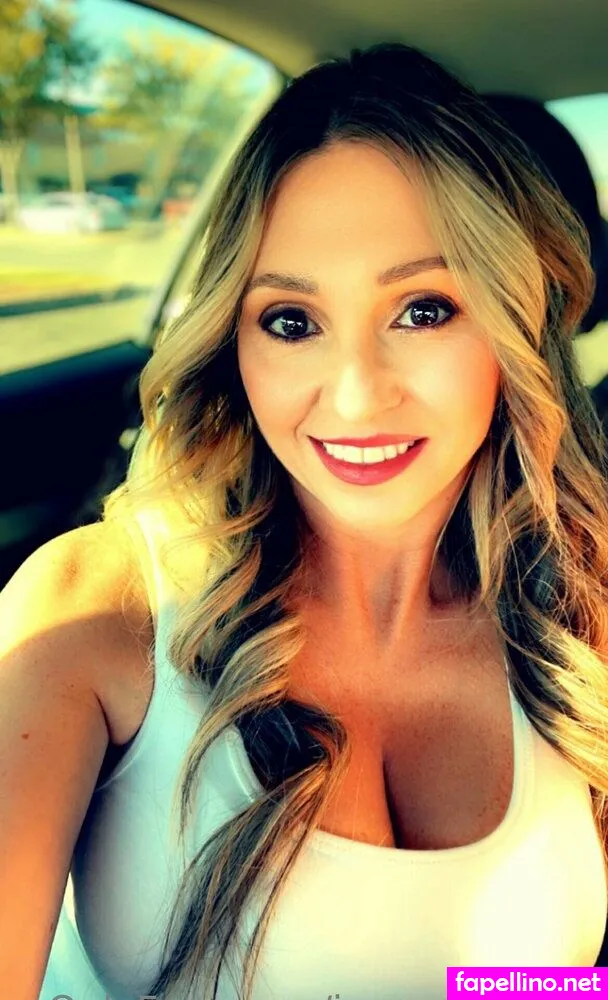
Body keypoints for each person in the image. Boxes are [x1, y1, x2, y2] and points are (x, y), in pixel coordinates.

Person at [2, 41, 608, 1000]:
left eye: (424, 310)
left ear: (516, 323)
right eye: (291, 321)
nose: (356, 398)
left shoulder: (583, 614)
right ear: (231, 340)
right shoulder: (95, 614)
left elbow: (569, 982)